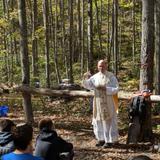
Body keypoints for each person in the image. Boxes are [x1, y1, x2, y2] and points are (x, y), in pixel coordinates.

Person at [82, 59, 119, 148]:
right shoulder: (95, 77)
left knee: (108, 121)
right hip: (98, 102)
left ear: (106, 66)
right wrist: (85, 78)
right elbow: (88, 85)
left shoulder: (111, 76)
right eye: (99, 66)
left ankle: (109, 141)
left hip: (108, 102)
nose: (101, 67)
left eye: (103, 65)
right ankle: (101, 139)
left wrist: (106, 88)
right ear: (97, 67)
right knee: (98, 120)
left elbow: (116, 89)